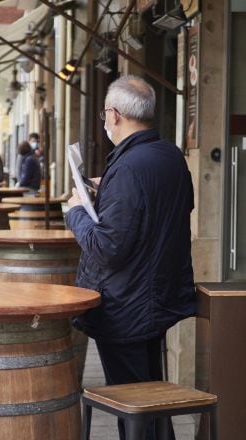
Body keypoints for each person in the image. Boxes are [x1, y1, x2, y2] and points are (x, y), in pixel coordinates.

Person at [65, 75, 195, 440]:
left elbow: (107, 248)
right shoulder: (169, 155)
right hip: (156, 299)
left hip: (126, 306)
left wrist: (76, 210)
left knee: (134, 409)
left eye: (106, 114)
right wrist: (109, 189)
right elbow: (170, 207)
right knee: (150, 401)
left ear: (115, 114)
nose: (105, 122)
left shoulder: (127, 167)